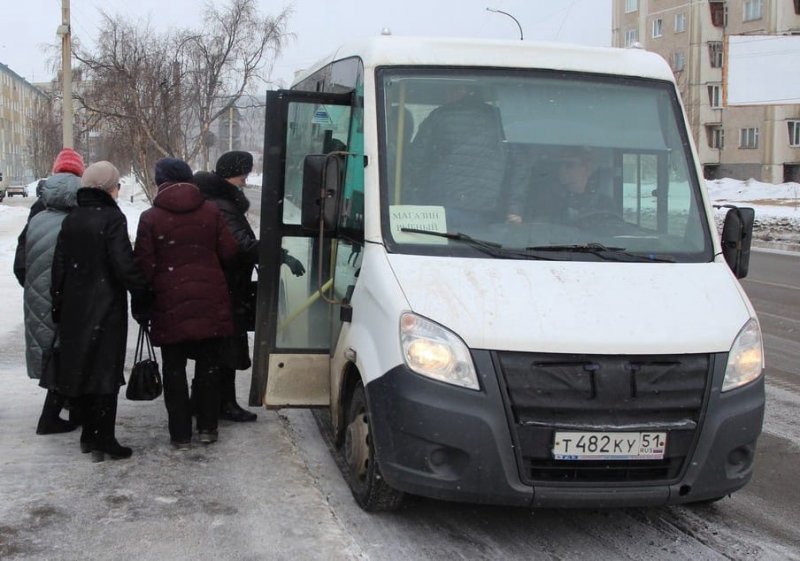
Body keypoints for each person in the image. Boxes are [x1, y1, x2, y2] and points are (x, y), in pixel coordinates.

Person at [46, 161, 151, 461]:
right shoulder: (111, 218)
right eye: (117, 185)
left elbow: (59, 266)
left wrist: (59, 303)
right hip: (106, 307)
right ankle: (105, 439)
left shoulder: (73, 218)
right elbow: (124, 264)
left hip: (75, 310)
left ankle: (88, 435)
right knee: (105, 373)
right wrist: (142, 294)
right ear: (109, 188)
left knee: (83, 370)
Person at [193, 150, 305, 423]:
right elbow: (240, 247)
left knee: (219, 347)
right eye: (244, 172)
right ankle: (222, 404)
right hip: (226, 286)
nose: (246, 178)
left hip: (224, 285)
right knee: (225, 347)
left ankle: (211, 402)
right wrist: (280, 255)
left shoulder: (219, 201)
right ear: (232, 173)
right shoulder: (222, 205)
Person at [134, 157, 239, 448]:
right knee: (208, 367)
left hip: (169, 303)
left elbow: (144, 266)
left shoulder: (151, 217)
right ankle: (207, 428)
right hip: (209, 300)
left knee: (174, 369)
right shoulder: (211, 210)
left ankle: (180, 433)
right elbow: (230, 251)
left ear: (160, 183)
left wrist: (145, 300)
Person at [16, 148, 84, 434]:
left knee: (51, 349)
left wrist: (33, 284)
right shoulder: (84, 206)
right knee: (74, 347)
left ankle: (61, 406)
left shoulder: (39, 209)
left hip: (39, 290)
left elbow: (21, 259)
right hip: (72, 290)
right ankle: (64, 410)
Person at [404, 83, 511, 228]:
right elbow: (513, 159)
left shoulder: (441, 115)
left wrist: (416, 192)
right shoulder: (500, 118)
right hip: (487, 206)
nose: (447, 95)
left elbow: (416, 158)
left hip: (444, 201)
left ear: (463, 90)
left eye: (451, 89)